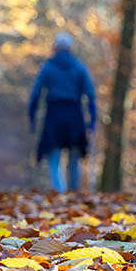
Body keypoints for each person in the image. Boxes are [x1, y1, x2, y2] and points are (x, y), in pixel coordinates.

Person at [28, 32, 97, 192]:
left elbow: (36, 94)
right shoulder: (80, 67)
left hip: (54, 115)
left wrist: (32, 115)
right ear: (70, 48)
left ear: (55, 48)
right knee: (74, 156)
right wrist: (92, 120)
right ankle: (73, 193)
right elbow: (91, 95)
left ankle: (59, 192)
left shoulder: (48, 67)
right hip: (75, 115)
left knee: (54, 157)